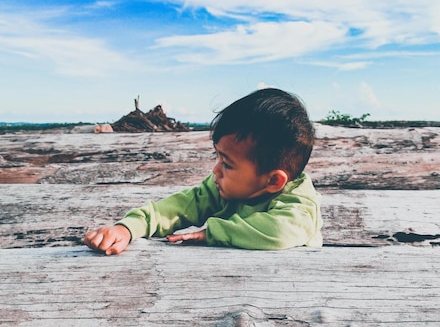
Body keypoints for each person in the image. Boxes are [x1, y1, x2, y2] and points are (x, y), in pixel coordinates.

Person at [84, 88, 323, 255]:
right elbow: (175, 208)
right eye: (217, 157)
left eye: (227, 164)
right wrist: (127, 228)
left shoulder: (299, 204)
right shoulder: (219, 189)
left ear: (273, 181)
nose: (215, 170)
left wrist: (212, 233)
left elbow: (281, 231)